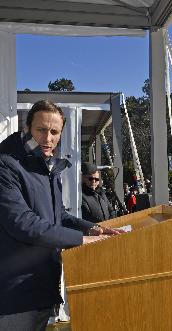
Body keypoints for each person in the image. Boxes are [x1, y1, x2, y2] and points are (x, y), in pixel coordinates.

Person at [0, 100, 122, 331]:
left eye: (54, 132)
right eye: (41, 130)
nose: (48, 138)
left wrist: (92, 228)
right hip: (15, 292)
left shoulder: (47, 165)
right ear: (26, 127)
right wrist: (81, 240)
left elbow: (60, 215)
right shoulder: (6, 166)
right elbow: (22, 222)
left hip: (42, 284)